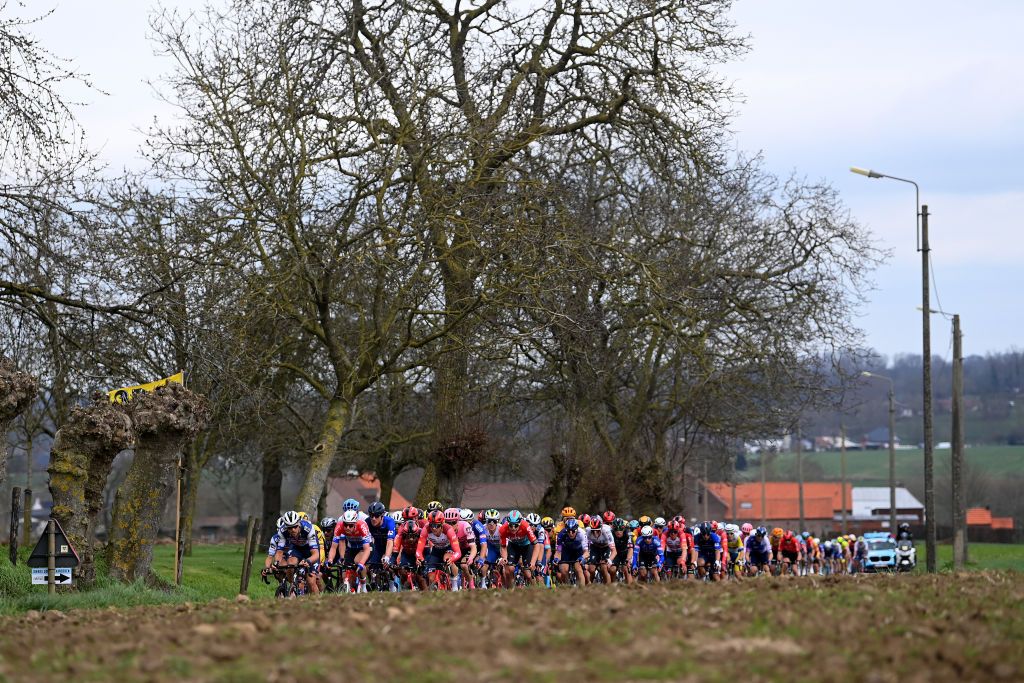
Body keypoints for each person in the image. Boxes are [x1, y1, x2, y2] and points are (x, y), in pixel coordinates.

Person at [266, 511, 321, 595]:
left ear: (298, 524)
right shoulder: (282, 531)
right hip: (296, 548)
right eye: (289, 528)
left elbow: (316, 554)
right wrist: (276, 563)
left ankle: (318, 603)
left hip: (310, 550)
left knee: (311, 581)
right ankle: (294, 587)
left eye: (295, 527)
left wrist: (308, 561)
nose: (293, 530)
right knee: (290, 564)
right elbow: (279, 551)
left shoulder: (308, 528)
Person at [415, 510, 461, 588]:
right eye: (431, 525)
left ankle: (454, 583)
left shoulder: (449, 530)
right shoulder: (426, 529)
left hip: (448, 548)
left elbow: (458, 552)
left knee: (447, 558)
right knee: (431, 577)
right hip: (436, 550)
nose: (434, 528)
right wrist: (420, 558)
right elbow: (419, 550)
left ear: (442, 524)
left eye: (437, 526)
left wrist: (452, 558)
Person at [328, 509, 373, 588]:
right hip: (352, 548)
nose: (347, 528)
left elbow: (367, 549)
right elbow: (333, 547)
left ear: (355, 524)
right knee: (344, 575)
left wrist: (362, 563)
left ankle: (363, 586)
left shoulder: (362, 526)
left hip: (365, 548)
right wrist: (330, 560)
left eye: (351, 525)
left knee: (358, 561)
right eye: (345, 525)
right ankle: (351, 590)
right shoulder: (339, 526)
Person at [498, 509, 538, 588]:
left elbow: (536, 545)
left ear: (520, 523)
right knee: (509, 569)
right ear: (507, 523)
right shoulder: (502, 529)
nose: (513, 528)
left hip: (526, 546)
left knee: (527, 573)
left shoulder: (526, 526)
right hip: (513, 545)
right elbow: (503, 546)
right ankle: (511, 590)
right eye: (511, 525)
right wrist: (504, 558)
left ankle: (536, 589)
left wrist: (533, 562)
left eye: (516, 525)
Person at [365, 501, 396, 587]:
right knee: (372, 567)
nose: (373, 519)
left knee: (388, 566)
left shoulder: (389, 522)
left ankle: (392, 585)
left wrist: (387, 556)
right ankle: (375, 585)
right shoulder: (367, 522)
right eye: (371, 516)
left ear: (382, 516)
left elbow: (390, 541)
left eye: (377, 516)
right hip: (378, 547)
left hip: (391, 546)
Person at [554, 517, 588, 586]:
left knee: (578, 569)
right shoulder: (561, 534)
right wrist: (556, 559)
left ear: (577, 529)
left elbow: (586, 552)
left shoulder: (582, 533)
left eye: (573, 531)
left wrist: (583, 557)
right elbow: (558, 551)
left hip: (578, 551)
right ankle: (568, 587)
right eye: (568, 531)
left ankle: (582, 590)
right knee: (563, 569)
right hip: (567, 550)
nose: (570, 533)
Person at [585, 515, 616, 584]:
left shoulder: (607, 531)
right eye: (593, 531)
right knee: (591, 569)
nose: (595, 533)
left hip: (606, 547)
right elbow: (585, 547)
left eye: (597, 530)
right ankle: (590, 586)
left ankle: (608, 587)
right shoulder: (588, 531)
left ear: (601, 528)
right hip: (595, 547)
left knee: (604, 567)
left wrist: (610, 560)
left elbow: (614, 551)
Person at [610, 518, 633, 584]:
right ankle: (613, 585)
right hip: (615, 553)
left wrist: (628, 559)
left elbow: (630, 549)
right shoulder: (610, 534)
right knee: (612, 569)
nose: (618, 531)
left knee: (626, 568)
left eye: (621, 529)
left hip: (626, 553)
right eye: (616, 529)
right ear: (613, 529)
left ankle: (629, 587)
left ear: (624, 528)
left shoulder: (628, 534)